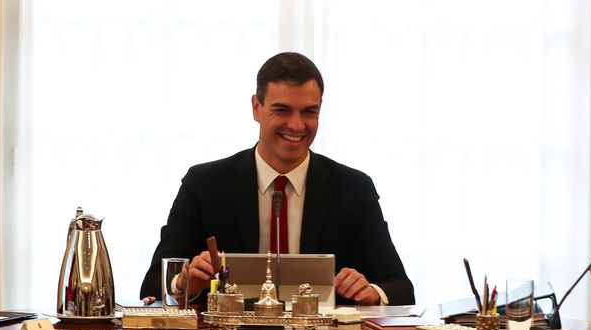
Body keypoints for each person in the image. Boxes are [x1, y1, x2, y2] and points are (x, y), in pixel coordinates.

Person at [140, 52, 414, 305]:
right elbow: (151, 286)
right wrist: (185, 284)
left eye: (309, 112)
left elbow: (400, 288)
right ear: (256, 107)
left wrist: (372, 293)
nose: (296, 125)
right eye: (282, 110)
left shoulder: (354, 189)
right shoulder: (205, 184)